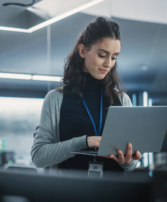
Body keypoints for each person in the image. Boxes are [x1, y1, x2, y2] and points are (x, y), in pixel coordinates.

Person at [31, 17, 142, 174]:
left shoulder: (122, 100)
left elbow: (130, 165)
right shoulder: (56, 98)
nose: (108, 63)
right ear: (83, 50)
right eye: (102, 55)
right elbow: (38, 156)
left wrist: (128, 161)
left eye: (114, 57)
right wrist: (85, 142)